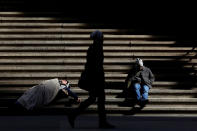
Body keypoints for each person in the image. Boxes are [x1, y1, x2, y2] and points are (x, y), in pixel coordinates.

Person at [67, 30, 115, 129]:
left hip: (95, 78)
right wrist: (101, 80)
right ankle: (102, 122)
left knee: (93, 98)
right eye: (102, 37)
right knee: (100, 99)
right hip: (96, 79)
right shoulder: (96, 48)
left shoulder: (93, 47)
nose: (103, 39)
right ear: (98, 38)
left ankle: (74, 114)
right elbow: (97, 66)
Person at [15, 78, 80, 111]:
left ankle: (18, 105)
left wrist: (75, 97)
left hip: (41, 90)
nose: (64, 80)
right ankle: (19, 105)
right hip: (41, 88)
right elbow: (68, 91)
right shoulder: (56, 81)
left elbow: (67, 91)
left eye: (65, 81)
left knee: (29, 97)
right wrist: (76, 98)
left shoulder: (61, 86)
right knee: (30, 97)